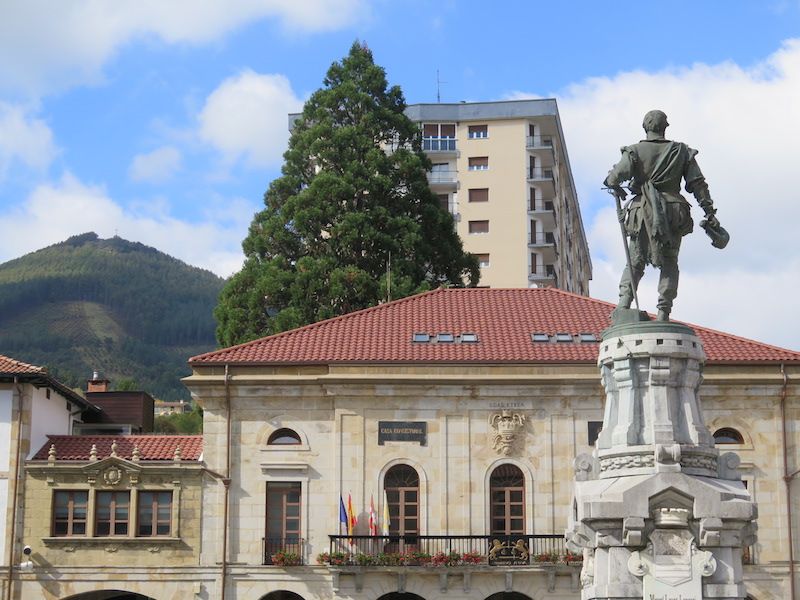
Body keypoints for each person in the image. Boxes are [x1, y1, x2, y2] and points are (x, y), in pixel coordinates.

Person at [605, 110, 721, 321]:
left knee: (635, 260)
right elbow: (698, 184)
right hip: (673, 211)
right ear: (665, 127)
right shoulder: (681, 151)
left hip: (642, 211)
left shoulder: (634, 151)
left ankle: (624, 304)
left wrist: (618, 188)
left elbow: (613, 178)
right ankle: (663, 312)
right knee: (669, 261)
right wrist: (709, 210)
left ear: (645, 127)